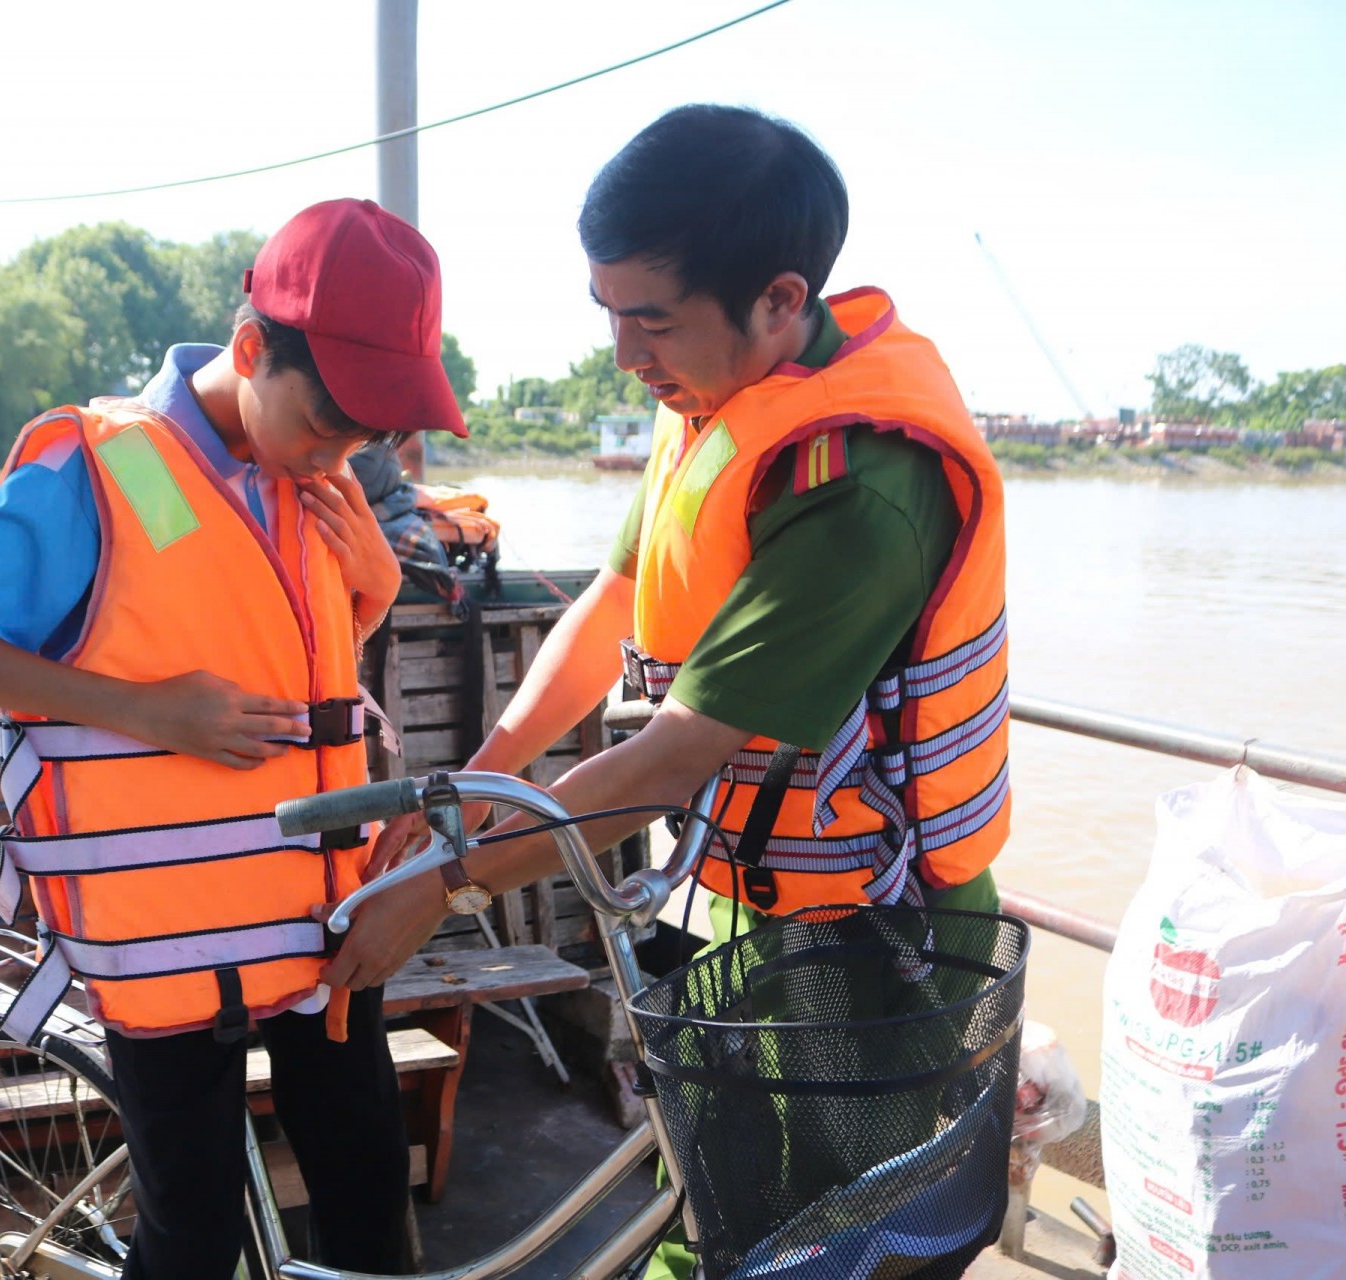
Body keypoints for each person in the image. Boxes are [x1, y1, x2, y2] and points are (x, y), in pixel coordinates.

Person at [327, 107, 1010, 1273]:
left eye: (652, 319)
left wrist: (445, 884)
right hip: (739, 891)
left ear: (781, 300)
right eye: (608, 313)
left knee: (830, 1240)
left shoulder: (865, 485)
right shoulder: (710, 399)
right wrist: (479, 775)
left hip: (870, 936)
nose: (625, 352)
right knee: (700, 1191)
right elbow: (611, 603)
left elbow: (671, 755)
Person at [0, 197, 468, 1280]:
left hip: (323, 918)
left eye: (371, 438)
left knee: (370, 1195)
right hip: (172, 939)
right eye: (330, 425)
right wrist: (146, 711)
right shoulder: (122, 471)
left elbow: (291, 662)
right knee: (190, 1234)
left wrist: (371, 588)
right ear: (251, 349)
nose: (344, 455)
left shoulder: (309, 484)